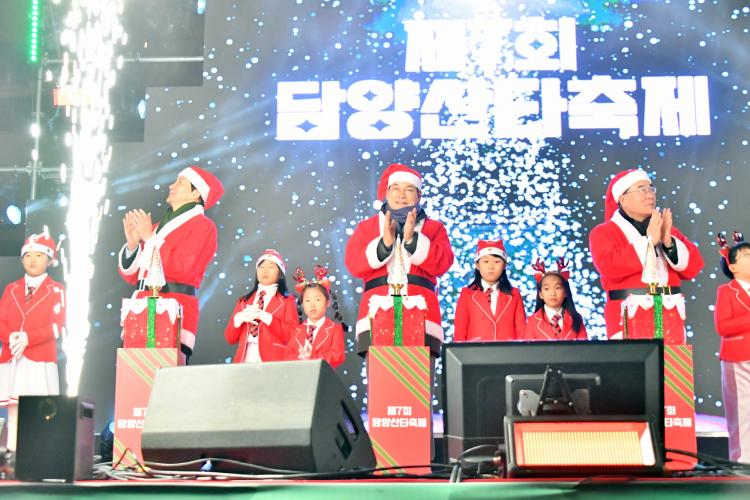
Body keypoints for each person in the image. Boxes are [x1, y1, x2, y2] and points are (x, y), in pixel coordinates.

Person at [344, 163, 454, 354]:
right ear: (387, 193)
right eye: (396, 188)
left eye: (409, 189)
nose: (401, 195)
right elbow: (353, 263)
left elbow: (443, 263)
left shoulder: (434, 228)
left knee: (420, 373)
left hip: (423, 314)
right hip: (376, 313)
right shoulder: (367, 227)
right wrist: (384, 244)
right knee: (380, 373)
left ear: (419, 196)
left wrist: (412, 240)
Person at [118, 165, 223, 363]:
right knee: (133, 375)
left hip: (175, 306)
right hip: (141, 306)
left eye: (180, 182)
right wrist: (132, 246)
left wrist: (150, 238)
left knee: (166, 374)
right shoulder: (157, 227)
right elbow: (133, 276)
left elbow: (185, 268)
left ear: (195, 193)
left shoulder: (204, 226)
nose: (172, 186)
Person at [589, 169, 703, 339]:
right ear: (622, 198)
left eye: (651, 189)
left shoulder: (667, 229)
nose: (650, 195)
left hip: (670, 313)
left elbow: (694, 267)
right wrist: (648, 242)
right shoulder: (604, 232)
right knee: (634, 357)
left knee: (673, 357)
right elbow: (609, 267)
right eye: (642, 190)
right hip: (626, 315)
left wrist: (668, 243)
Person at [0, 231, 65, 450]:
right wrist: (10, 336)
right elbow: (1, 320)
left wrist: (29, 338)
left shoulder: (57, 290)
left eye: (39, 255)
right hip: (13, 357)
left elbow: (57, 325)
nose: (33, 260)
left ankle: (38, 455)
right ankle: (11, 455)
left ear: (49, 259)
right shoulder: (12, 288)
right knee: (13, 411)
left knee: (40, 410)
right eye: (28, 255)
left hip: (40, 359)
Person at [224, 249, 298, 363]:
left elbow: (293, 335)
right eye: (261, 267)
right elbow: (230, 339)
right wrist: (238, 320)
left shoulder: (288, 301)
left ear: (280, 274)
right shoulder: (243, 301)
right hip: (244, 358)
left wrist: (267, 318)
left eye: (271, 267)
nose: (265, 271)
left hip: (273, 359)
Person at [714, 231, 750, 463]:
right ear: (733, 266)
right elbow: (723, 327)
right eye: (747, 256)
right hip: (739, 358)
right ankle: (742, 462)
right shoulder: (727, 291)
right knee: (743, 412)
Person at [454, 239, 526, 341]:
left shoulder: (514, 294)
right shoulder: (467, 294)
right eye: (486, 261)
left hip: (508, 350)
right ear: (477, 265)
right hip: (475, 350)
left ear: (504, 265)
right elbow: (460, 334)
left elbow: (521, 332)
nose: (491, 267)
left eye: (496, 262)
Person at [284, 266, 346, 368]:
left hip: (323, 375)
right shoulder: (296, 330)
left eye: (317, 300)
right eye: (307, 300)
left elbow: (338, 355)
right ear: (302, 304)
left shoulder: (335, 329)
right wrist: (300, 358)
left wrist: (312, 355)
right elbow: (287, 355)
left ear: (327, 302)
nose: (312, 305)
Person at [524, 257, 587, 341]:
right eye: (547, 289)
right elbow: (528, 348)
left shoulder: (576, 319)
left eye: (557, 288)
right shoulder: (532, 321)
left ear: (565, 292)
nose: (552, 293)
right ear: (540, 294)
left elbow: (584, 347)